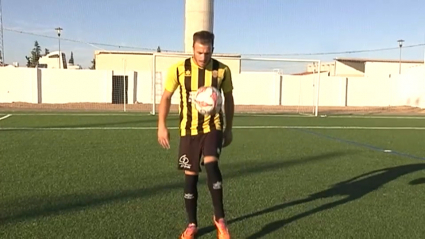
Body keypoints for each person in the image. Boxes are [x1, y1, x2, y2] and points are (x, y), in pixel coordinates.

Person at [157, 30, 234, 239]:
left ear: (213, 50)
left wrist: (228, 128)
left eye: (207, 53)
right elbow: (166, 97)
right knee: (190, 178)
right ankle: (192, 225)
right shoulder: (179, 69)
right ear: (193, 49)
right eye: (199, 52)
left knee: (211, 165)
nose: (203, 57)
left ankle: (221, 220)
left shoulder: (222, 70)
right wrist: (161, 125)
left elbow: (229, 99)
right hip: (188, 130)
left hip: (213, 126)